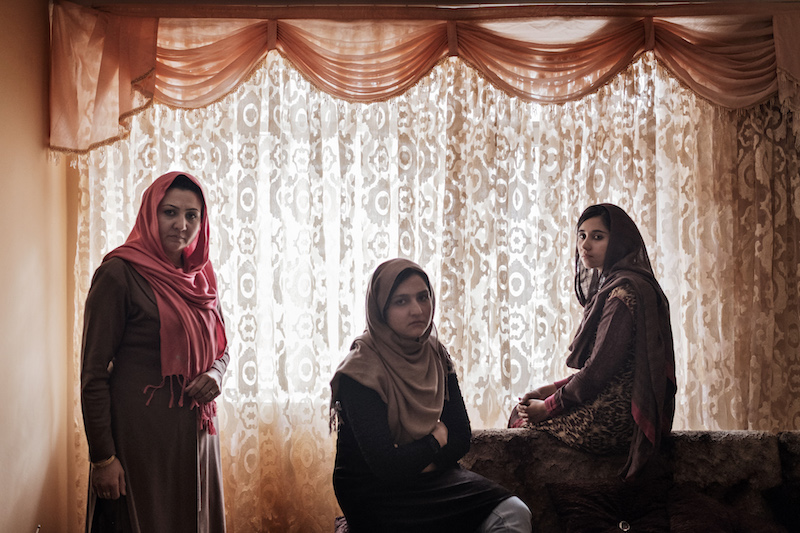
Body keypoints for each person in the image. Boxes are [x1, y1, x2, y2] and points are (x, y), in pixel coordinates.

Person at [331, 258, 532, 533]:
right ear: (381, 310)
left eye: (422, 297)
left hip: (432, 476)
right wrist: (436, 440)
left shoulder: (436, 354)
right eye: (401, 302)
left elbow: (461, 436)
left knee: (513, 513)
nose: (417, 310)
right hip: (373, 491)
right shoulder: (361, 369)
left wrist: (416, 460)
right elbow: (385, 466)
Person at [80, 171, 229, 532]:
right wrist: (103, 459)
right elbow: (93, 374)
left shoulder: (200, 274)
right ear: (150, 212)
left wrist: (215, 374)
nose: (182, 225)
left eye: (192, 215)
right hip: (139, 442)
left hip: (197, 436)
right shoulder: (119, 274)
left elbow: (222, 347)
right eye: (170, 212)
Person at [510, 204, 676, 481]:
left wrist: (548, 407)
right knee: (530, 405)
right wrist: (549, 389)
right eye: (582, 235)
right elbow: (605, 366)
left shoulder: (622, 295)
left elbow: (598, 373)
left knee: (520, 415)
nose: (585, 245)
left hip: (614, 420)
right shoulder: (625, 285)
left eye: (598, 237)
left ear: (619, 241)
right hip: (619, 409)